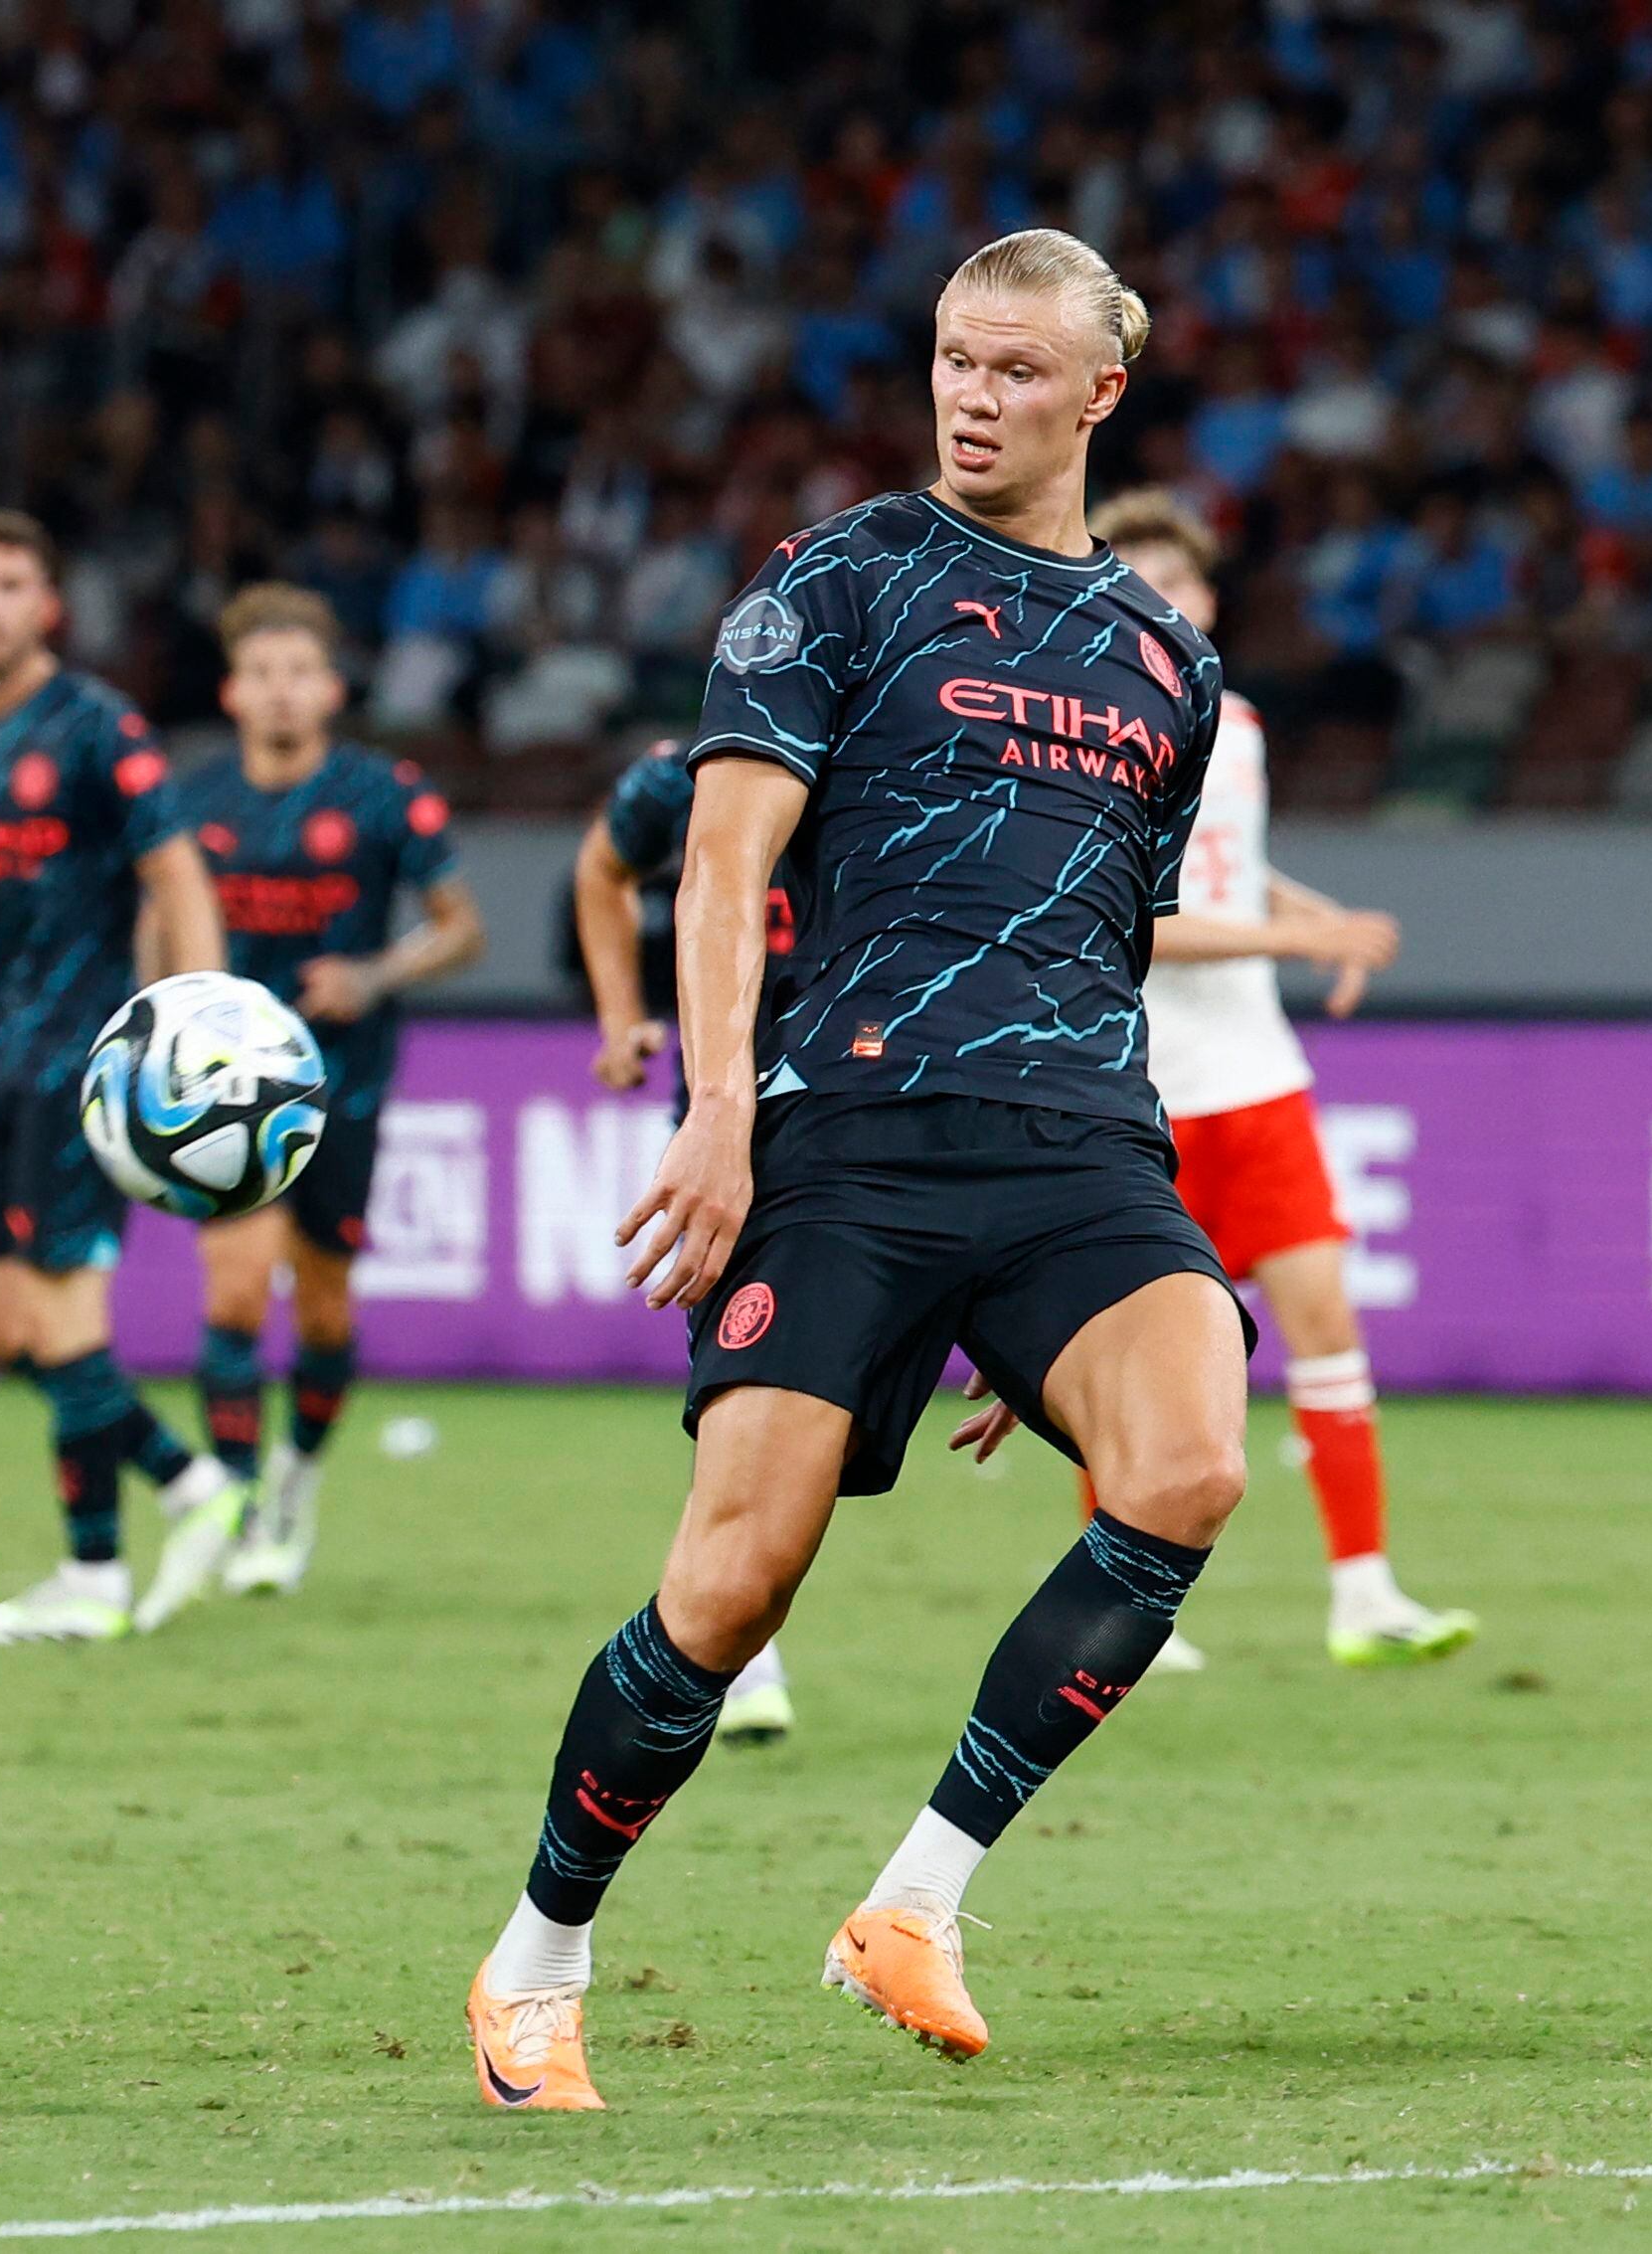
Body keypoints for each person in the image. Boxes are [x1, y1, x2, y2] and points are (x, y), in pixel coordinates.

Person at [463, 231, 1247, 2107]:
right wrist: (717, 1108)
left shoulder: (1171, 662)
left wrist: (1050, 1303)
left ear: (1100, 392)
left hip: (1078, 1147)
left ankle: (915, 1897)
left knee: (1190, 1462)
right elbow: (723, 866)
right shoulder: (838, 576)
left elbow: (1111, 937)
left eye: (1016, 369)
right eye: (955, 360)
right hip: (854, 1133)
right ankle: (537, 1959)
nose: (974, 395)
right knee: (733, 1588)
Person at [1086, 488, 1478, 1672]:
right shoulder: (1086, 734)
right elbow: (1135, 922)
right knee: (1131, 1360)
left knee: (1324, 1323)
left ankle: (1363, 1592)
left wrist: (1320, 917)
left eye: (1178, 581)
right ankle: (1122, 1615)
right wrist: (1297, 940)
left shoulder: (1237, 724)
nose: (1162, 600)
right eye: (1136, 580)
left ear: (1207, 601)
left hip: (1255, 1080)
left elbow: (1226, 871)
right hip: (1136, 1093)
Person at [0, 508, 237, 1646]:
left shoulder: (97, 725)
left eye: (10, 584)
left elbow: (176, 875)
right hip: (7, 1052)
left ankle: (92, 1573)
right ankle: (187, 1480)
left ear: (47, 606)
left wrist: (197, 1017)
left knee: (65, 1311)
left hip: (93, 1059)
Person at [174, 584, 485, 1595]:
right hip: (225, 1092)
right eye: (261, 674)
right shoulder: (194, 802)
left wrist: (371, 974)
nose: (280, 691)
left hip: (342, 1085)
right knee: (233, 1290)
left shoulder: (383, 794)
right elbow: (159, 927)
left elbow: (461, 929)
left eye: (299, 673)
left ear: (331, 688)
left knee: (321, 1312)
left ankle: (294, 1479)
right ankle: (234, 1504)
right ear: (231, 691)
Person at [569, 741, 798, 1742]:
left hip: (880, 1106)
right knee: (742, 1381)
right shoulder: (685, 771)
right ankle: (743, 1649)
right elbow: (601, 867)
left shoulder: (904, 742)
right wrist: (620, 1016)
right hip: (726, 1130)